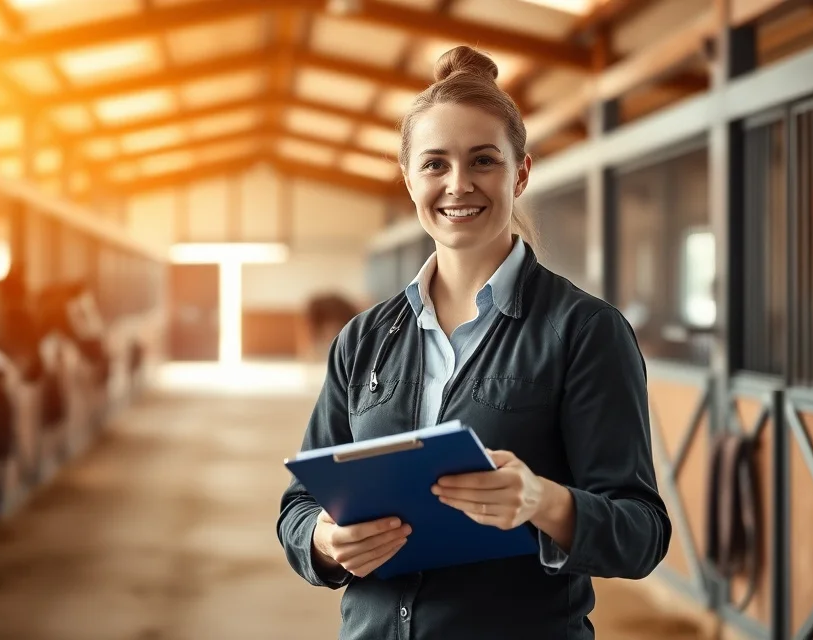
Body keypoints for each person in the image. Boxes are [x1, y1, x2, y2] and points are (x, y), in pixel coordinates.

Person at [276, 45, 671, 639]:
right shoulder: (363, 339)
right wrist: (325, 540)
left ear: (521, 173)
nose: (458, 184)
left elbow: (641, 533)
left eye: (482, 161)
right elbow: (299, 505)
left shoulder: (584, 331)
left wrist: (543, 501)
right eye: (434, 164)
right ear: (408, 178)